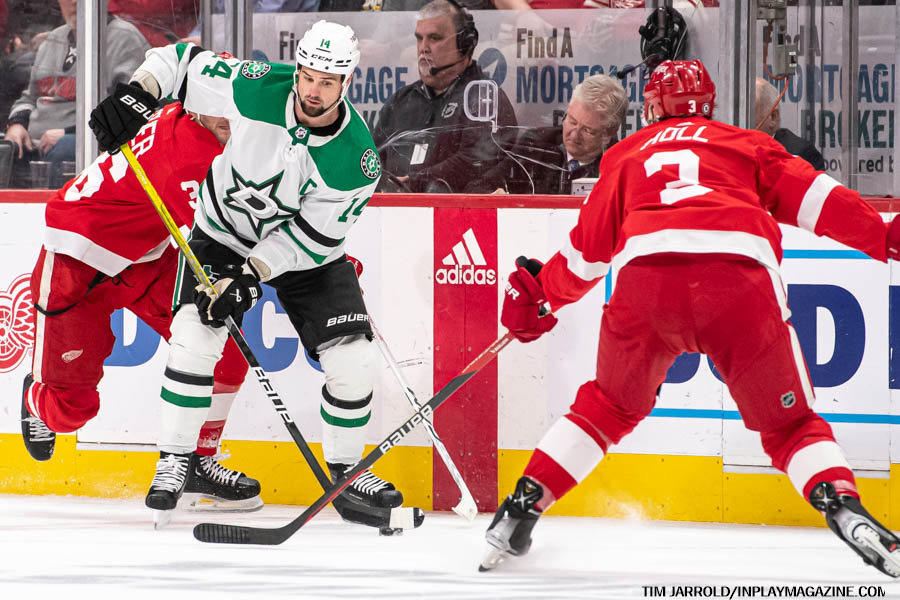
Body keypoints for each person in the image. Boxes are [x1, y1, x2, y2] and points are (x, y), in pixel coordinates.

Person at [481, 59, 900, 578]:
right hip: (737, 284)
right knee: (791, 427)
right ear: (709, 106)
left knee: (606, 408)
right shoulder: (745, 143)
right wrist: (887, 237)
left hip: (646, 286)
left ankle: (521, 508)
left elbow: (585, 257)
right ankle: (840, 505)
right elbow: (821, 201)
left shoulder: (626, 155)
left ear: (651, 108)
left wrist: (541, 297)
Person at [87, 20, 414, 528]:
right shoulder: (257, 85)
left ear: (347, 83)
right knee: (194, 335)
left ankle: (348, 470)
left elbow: (309, 238)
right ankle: (176, 459)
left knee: (354, 359)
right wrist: (138, 95)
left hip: (304, 256)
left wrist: (250, 274)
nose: (312, 90)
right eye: (308, 76)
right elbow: (180, 61)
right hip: (222, 232)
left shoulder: (357, 160)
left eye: (327, 82)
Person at [23, 101, 263, 514]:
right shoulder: (191, 153)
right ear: (198, 106)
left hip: (147, 259)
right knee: (68, 413)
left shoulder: (189, 120)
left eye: (235, 106)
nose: (228, 117)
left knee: (225, 349)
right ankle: (35, 393)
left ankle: (197, 462)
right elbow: (224, 238)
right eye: (217, 107)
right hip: (77, 266)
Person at [373, 0, 517, 193]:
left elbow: (476, 162)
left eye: (434, 38)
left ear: (465, 44)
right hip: (390, 209)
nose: (423, 48)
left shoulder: (484, 98)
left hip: (453, 210)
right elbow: (372, 161)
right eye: (419, 38)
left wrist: (413, 183)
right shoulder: (401, 100)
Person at [4, 0, 149, 188]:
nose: (74, 2)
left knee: (65, 148)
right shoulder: (53, 39)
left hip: (82, 147)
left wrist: (71, 132)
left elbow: (133, 107)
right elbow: (29, 97)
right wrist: (17, 124)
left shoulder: (125, 39)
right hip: (34, 145)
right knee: (6, 150)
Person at [465, 74, 626, 195]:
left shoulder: (622, 166)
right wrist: (492, 196)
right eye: (572, 121)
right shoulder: (536, 144)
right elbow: (476, 187)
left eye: (588, 130)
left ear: (610, 132)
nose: (574, 135)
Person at [755, 77, 825, 171]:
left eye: (748, 113)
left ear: (773, 117)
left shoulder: (802, 154)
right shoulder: (737, 149)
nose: (740, 122)